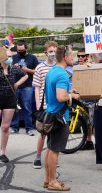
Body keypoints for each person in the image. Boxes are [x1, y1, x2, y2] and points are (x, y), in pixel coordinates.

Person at [44, 45, 80, 191]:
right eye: (72, 55)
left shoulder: (52, 71)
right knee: (54, 151)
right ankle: (53, 181)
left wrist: (68, 90)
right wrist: (73, 95)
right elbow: (60, 97)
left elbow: (55, 91)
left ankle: (48, 180)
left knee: (50, 149)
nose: (74, 58)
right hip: (59, 117)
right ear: (65, 57)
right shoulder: (63, 74)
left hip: (50, 114)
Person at [32, 41, 58, 169]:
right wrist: (38, 104)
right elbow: (37, 87)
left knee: (55, 131)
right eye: (50, 51)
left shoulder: (59, 66)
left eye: (55, 51)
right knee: (43, 132)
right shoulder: (40, 67)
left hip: (57, 103)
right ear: (46, 53)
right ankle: (37, 157)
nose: (53, 54)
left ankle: (52, 158)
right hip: (44, 104)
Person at [10, 40, 39, 135]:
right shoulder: (14, 57)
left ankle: (29, 128)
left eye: (22, 50)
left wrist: (26, 69)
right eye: (18, 50)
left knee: (27, 107)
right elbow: (9, 70)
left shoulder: (32, 58)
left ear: (26, 48)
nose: (20, 52)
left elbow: (37, 71)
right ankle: (14, 127)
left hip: (27, 86)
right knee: (15, 107)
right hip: (15, 85)